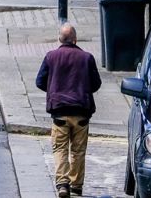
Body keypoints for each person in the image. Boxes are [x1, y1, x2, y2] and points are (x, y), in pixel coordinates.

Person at [35, 22, 101, 198]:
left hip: (59, 112)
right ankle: (76, 186)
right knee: (78, 151)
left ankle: (63, 184)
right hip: (81, 112)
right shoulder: (87, 58)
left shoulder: (51, 56)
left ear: (59, 39)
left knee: (60, 149)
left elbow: (40, 81)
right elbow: (96, 84)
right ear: (75, 39)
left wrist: (55, 91)